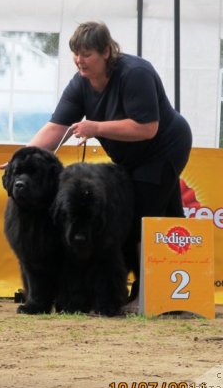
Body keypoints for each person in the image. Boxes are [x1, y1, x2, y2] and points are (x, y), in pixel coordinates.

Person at [19, 21, 192, 305]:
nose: (79, 61)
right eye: (76, 53)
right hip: (130, 158)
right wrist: (22, 158)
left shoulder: (136, 73)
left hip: (165, 148)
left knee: (140, 218)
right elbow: (56, 128)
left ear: (106, 52)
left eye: (87, 54)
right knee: (170, 216)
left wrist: (96, 128)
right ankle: (175, 295)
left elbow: (147, 127)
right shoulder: (80, 83)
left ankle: (142, 294)